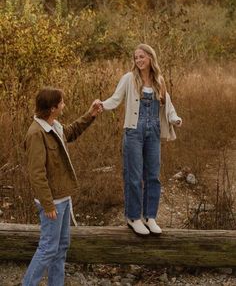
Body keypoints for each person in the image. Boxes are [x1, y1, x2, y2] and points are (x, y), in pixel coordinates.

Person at [22, 87, 102, 286]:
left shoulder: (54, 125)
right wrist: (48, 205)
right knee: (48, 248)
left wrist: (90, 115)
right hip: (52, 203)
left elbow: (71, 131)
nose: (64, 105)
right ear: (52, 108)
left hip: (64, 197)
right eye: (62, 102)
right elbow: (36, 174)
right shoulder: (36, 133)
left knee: (61, 247)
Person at [101, 44, 182, 236]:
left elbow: (166, 105)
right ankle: (133, 217)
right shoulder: (129, 79)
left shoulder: (158, 80)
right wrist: (101, 105)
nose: (138, 60)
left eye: (142, 57)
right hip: (134, 131)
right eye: (136, 57)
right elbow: (115, 98)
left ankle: (150, 216)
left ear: (150, 58)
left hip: (153, 131)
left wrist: (174, 119)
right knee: (134, 176)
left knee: (153, 175)